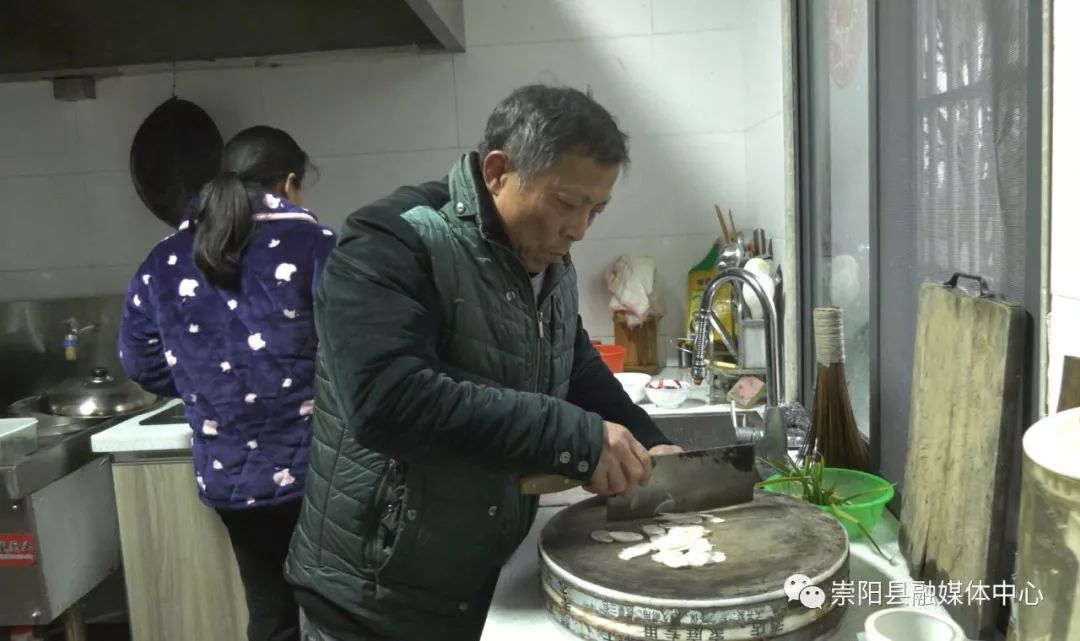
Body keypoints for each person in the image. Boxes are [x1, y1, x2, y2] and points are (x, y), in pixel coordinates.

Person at [284, 85, 681, 641]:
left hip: (477, 579)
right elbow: (387, 401)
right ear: (497, 172)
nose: (579, 229)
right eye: (567, 203)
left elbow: (577, 369)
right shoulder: (390, 241)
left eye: (596, 209)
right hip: (374, 599)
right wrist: (575, 436)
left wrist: (648, 442)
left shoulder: (548, 257)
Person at [119, 126, 338, 641]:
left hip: (230, 475)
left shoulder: (163, 258)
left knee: (269, 610)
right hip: (320, 467)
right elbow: (353, 346)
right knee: (335, 609)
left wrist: (206, 386)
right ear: (289, 184)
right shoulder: (315, 244)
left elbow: (139, 360)